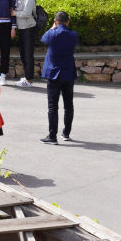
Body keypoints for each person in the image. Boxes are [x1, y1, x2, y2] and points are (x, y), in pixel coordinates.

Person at [40, 11, 80, 144]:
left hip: (53, 73)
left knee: (53, 106)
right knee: (69, 105)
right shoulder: (73, 35)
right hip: (68, 73)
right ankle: (66, 133)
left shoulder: (51, 33)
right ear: (68, 22)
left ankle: (52, 136)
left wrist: (52, 27)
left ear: (55, 22)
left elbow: (43, 39)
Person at [13, 0, 38, 87]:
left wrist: (14, 13)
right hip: (22, 29)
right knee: (23, 54)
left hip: (29, 29)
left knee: (28, 54)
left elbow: (26, 13)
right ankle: (27, 77)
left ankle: (29, 80)